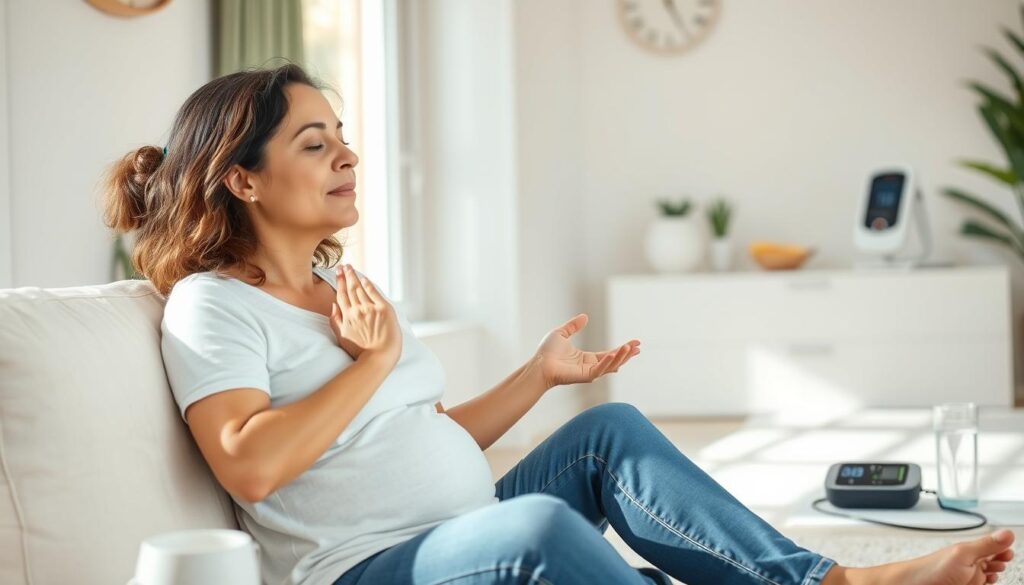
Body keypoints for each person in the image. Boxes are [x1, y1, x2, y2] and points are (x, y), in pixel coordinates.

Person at [101, 63, 1015, 585]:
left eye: (341, 131)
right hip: (366, 568)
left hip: (457, 520)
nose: (346, 152)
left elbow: (423, 435)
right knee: (537, 527)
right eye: (314, 142)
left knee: (605, 431)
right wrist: (372, 361)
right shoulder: (211, 303)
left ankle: (831, 581)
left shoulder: (347, 283)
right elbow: (250, 461)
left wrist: (536, 376)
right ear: (243, 178)